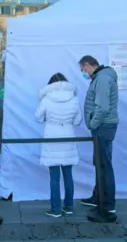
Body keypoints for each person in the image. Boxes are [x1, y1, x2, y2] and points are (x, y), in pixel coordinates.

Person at [35, 73, 83, 218]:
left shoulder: (47, 99)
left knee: (54, 177)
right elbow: (78, 121)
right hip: (68, 136)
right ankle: (69, 206)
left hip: (52, 136)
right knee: (68, 175)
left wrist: (47, 120)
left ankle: (55, 209)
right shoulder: (74, 99)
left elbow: (37, 117)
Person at [78, 55, 119, 215]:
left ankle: (108, 204)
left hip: (102, 127)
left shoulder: (102, 79)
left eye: (83, 69)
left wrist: (93, 124)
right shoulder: (102, 77)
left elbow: (102, 107)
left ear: (88, 65)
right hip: (103, 126)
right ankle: (98, 197)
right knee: (100, 163)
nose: (84, 72)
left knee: (104, 165)